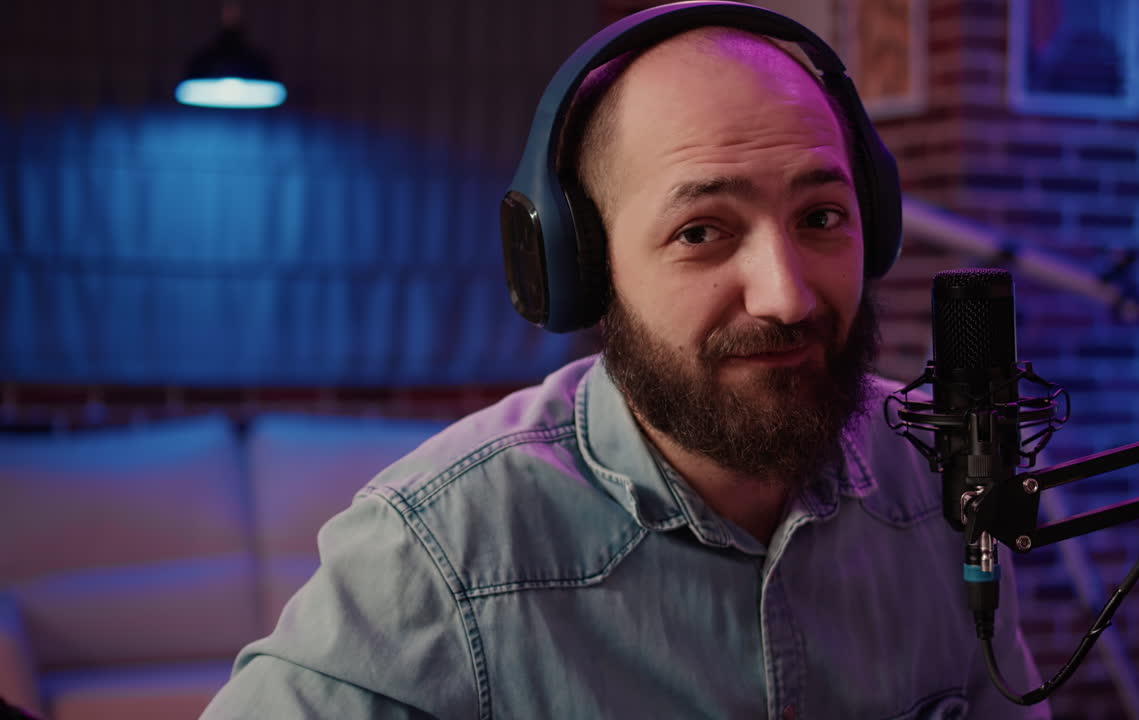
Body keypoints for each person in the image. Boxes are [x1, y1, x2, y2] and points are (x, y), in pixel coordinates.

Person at [203, 4, 1049, 718]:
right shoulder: (441, 553)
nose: (787, 296)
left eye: (822, 217)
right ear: (582, 268)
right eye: (701, 232)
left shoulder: (940, 479)